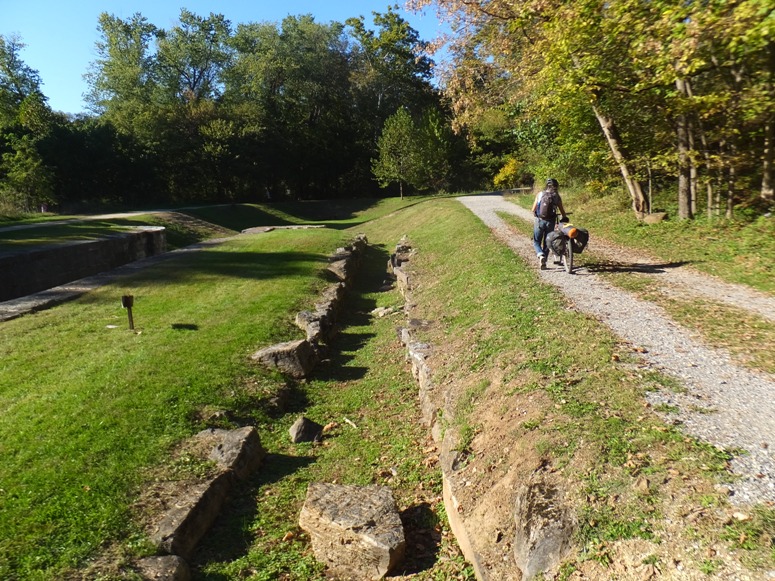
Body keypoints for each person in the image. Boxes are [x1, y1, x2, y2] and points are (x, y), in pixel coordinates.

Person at [531, 178, 567, 269]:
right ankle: (544, 261)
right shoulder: (556, 196)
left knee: (536, 241)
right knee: (547, 241)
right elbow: (562, 211)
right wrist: (564, 217)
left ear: (546, 185)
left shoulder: (540, 194)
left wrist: (536, 215)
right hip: (551, 221)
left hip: (539, 220)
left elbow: (533, 209)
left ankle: (540, 255)